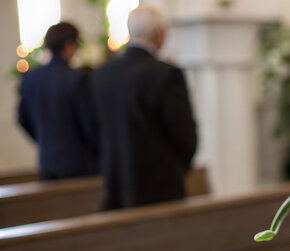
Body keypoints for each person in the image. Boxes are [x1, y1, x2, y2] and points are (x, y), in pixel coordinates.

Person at [91, 5, 197, 210]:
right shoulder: (166, 74)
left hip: (115, 181)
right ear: (159, 33)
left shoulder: (101, 74)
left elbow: (93, 129)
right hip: (160, 184)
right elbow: (185, 134)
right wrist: (176, 168)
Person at [18, 22, 99, 180]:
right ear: (69, 45)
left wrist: (44, 139)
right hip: (79, 166)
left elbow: (22, 119)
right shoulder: (77, 79)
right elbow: (90, 124)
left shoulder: (30, 79)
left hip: (47, 164)